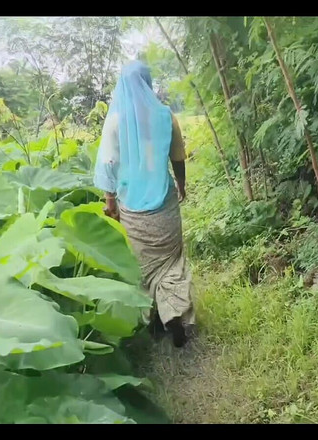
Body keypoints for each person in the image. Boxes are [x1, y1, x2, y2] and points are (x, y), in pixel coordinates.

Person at [93, 60, 194, 348]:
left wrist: (110, 200)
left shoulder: (115, 121)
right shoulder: (165, 115)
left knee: (145, 267)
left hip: (133, 209)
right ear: (148, 84)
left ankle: (155, 322)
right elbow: (177, 157)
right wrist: (182, 185)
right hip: (164, 203)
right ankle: (175, 315)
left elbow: (108, 164)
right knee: (172, 261)